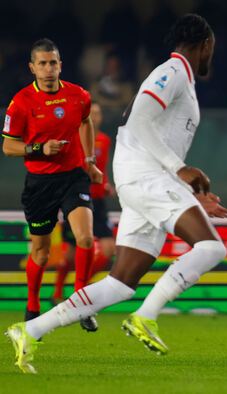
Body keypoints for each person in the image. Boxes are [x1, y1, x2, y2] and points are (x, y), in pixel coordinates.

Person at [6, 14, 227, 374]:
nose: (211, 55)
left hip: (147, 180)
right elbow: (139, 120)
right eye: (212, 49)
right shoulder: (171, 72)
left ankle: (29, 329)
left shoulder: (182, 79)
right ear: (206, 45)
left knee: (121, 283)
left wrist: (183, 187)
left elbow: (158, 132)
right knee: (211, 247)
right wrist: (179, 170)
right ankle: (146, 317)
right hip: (145, 176)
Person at [2, 38, 102, 333]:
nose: (48, 69)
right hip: (40, 183)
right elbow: (8, 146)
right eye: (42, 64)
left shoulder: (78, 95)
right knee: (42, 254)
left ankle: (81, 302)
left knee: (85, 239)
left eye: (53, 63)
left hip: (73, 177)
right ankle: (33, 306)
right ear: (32, 68)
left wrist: (90, 160)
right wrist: (38, 149)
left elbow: (86, 122)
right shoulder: (21, 102)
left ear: (61, 65)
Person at [52, 103, 116, 305]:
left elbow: (102, 167)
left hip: (99, 202)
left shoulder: (105, 140)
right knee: (70, 253)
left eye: (98, 113)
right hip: (77, 200)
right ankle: (57, 294)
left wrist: (106, 184)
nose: (95, 116)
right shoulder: (72, 138)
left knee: (108, 250)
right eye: (92, 113)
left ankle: (81, 286)